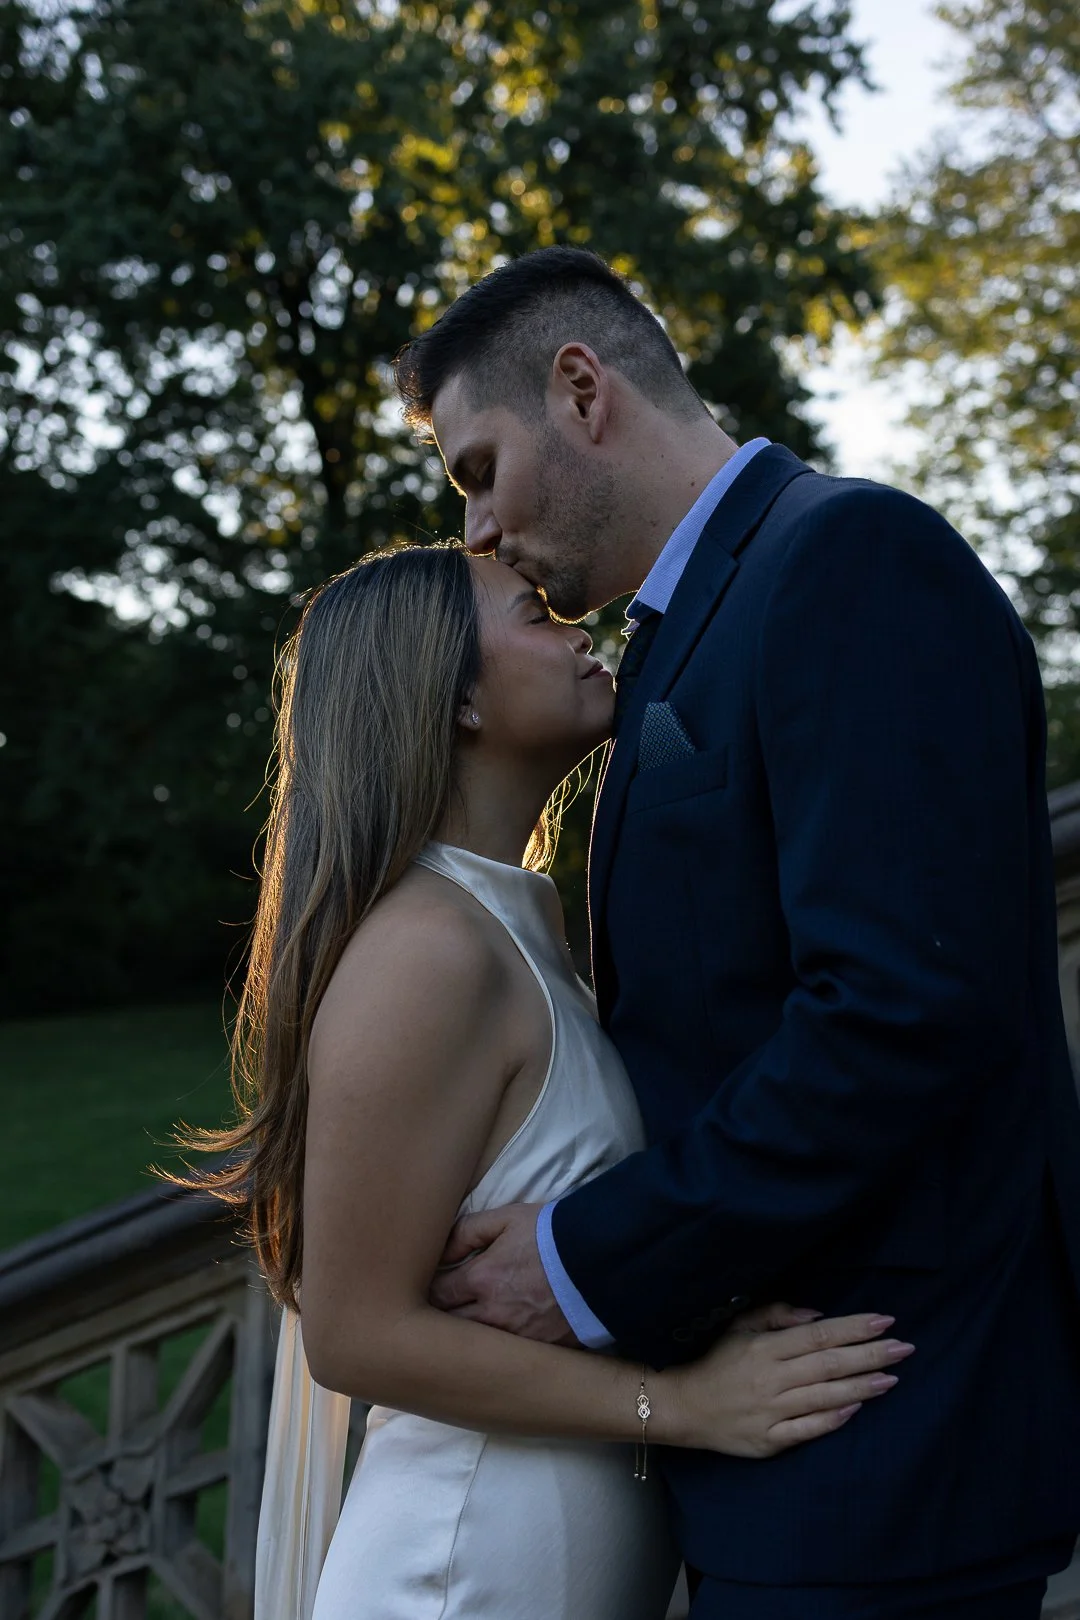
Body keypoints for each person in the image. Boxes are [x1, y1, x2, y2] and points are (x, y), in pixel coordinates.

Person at [395, 246, 1080, 1619]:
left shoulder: (848, 560)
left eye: (478, 468)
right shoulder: (687, 631)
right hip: (774, 1451)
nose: (472, 529)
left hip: (885, 1434)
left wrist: (588, 1259)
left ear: (581, 389)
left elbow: (897, 1013)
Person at [186, 543, 908, 1620]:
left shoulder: (508, 920)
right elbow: (355, 1333)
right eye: (534, 614)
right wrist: (688, 1405)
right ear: (458, 697)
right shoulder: (426, 950)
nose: (578, 628)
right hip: (459, 1572)